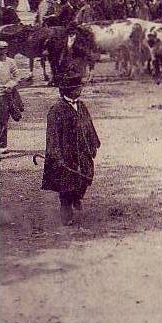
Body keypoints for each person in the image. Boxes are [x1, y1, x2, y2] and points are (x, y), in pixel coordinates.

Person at [41, 72, 101, 226]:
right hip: (65, 153)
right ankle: (66, 212)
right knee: (66, 183)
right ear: (69, 90)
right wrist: (56, 156)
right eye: (77, 87)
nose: (80, 89)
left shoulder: (81, 105)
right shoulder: (56, 109)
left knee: (86, 175)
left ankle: (77, 196)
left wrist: (93, 143)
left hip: (82, 150)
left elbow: (89, 125)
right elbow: (52, 135)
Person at [0, 41, 25, 157]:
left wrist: (10, 85)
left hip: (5, 94)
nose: (1, 51)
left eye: (3, 48)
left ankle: (2, 145)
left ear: (7, 49)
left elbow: (16, 77)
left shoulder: (10, 62)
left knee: (3, 120)